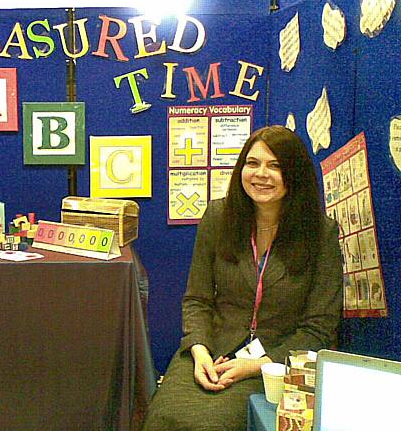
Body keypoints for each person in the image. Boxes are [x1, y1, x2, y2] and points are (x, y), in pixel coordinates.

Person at [142, 126, 343, 431]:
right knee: (163, 417)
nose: (261, 174)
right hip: (213, 348)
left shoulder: (321, 234)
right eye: (253, 163)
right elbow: (197, 299)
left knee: (214, 425)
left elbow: (320, 327)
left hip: (276, 362)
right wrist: (199, 351)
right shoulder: (218, 217)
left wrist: (255, 365)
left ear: (296, 174)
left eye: (275, 166)